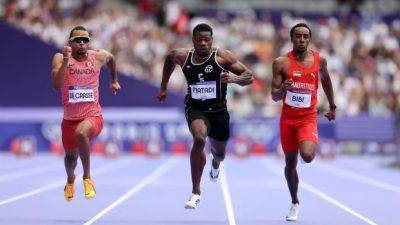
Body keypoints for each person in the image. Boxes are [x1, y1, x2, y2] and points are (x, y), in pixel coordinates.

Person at [157, 23, 254, 209]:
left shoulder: (222, 56)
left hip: (219, 111)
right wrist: (163, 87)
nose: (202, 43)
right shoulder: (183, 56)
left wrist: (234, 79)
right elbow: (169, 60)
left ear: (212, 41)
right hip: (196, 108)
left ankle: (215, 164)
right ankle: (195, 192)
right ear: (193, 40)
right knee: (199, 138)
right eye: (199, 40)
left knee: (220, 154)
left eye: (206, 40)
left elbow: (249, 76)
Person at [271, 23, 336, 221]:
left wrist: (332, 106)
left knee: (307, 156)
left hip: (308, 118)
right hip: (288, 120)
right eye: (298, 36)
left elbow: (326, 81)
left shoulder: (319, 61)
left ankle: (304, 145)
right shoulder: (281, 63)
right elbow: (274, 96)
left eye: (305, 36)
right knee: (290, 164)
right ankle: (294, 201)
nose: (301, 39)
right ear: (292, 39)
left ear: (309, 39)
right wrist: (283, 89)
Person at [51, 26, 121, 201]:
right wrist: (66, 62)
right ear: (70, 43)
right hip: (69, 119)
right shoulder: (60, 58)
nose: (81, 43)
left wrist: (113, 80)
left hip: (93, 116)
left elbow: (111, 59)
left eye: (85, 40)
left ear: (89, 42)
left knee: (81, 133)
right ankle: (70, 179)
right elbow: (57, 86)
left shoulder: (98, 56)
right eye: (77, 40)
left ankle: (87, 178)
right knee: (70, 159)